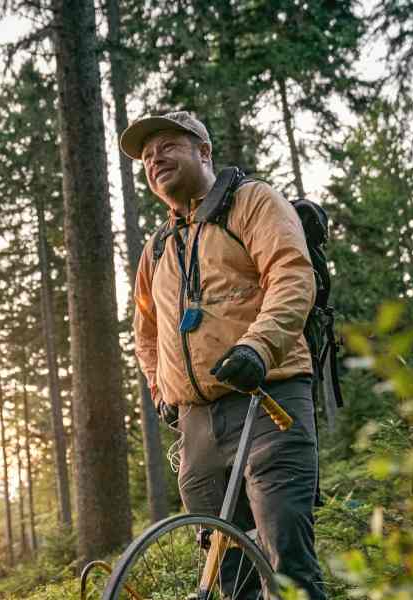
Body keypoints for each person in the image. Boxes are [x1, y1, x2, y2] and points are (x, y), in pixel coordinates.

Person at [122, 111, 327, 600]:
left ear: (204, 151)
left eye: (168, 146)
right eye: (147, 157)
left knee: (287, 565)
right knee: (226, 576)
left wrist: (258, 345)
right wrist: (159, 387)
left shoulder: (253, 203)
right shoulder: (157, 249)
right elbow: (145, 333)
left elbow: (293, 276)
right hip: (197, 427)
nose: (155, 160)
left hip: (268, 401)